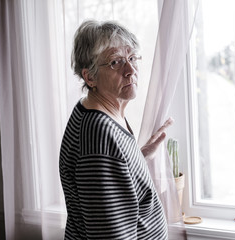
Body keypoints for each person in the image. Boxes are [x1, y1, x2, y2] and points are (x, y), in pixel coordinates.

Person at [59, 20, 173, 240]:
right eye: (115, 62)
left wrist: (139, 156)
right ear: (90, 77)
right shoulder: (99, 140)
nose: (130, 70)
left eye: (131, 58)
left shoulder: (97, 113)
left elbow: (108, 181)